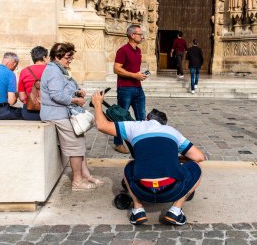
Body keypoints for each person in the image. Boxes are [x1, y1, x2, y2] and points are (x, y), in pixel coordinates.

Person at [92, 90, 205, 225]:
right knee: (196, 167)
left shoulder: (134, 126)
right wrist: (176, 159)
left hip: (142, 190)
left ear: (146, 118)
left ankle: (138, 209)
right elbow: (199, 157)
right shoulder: (173, 132)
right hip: (172, 191)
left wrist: (98, 104)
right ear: (164, 124)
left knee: (130, 165)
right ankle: (176, 210)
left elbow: (101, 125)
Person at [40, 42, 104, 191]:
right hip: (56, 113)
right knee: (76, 145)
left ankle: (85, 175)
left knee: (79, 142)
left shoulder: (60, 70)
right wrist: (75, 100)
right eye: (68, 57)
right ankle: (77, 181)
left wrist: (76, 92)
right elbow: (56, 95)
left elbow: (63, 90)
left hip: (62, 112)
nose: (70, 60)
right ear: (57, 56)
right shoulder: (53, 71)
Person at [113, 24, 148, 154]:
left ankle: (140, 141)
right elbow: (116, 69)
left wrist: (140, 75)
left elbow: (133, 69)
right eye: (140, 34)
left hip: (138, 88)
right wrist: (134, 75)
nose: (142, 37)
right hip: (125, 89)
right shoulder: (122, 50)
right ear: (132, 35)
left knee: (141, 116)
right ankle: (118, 143)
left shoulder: (138, 50)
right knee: (121, 116)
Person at [18, 46, 49, 120]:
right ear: (44, 57)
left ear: (33, 58)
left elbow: (22, 97)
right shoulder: (51, 70)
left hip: (29, 113)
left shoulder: (24, 71)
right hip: (48, 113)